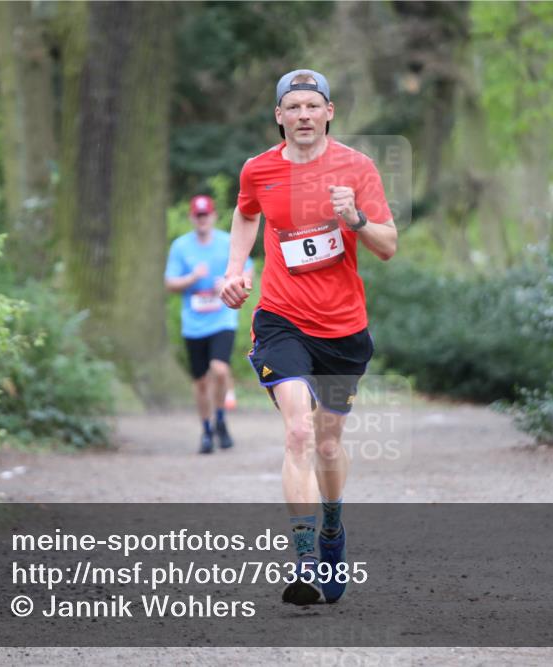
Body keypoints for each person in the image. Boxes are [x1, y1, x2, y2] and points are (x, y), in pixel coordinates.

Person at [220, 69, 397, 605]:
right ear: (278, 116)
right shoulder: (259, 170)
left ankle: (332, 530)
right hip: (281, 318)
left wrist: (356, 217)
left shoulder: (357, 168)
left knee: (326, 442)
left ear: (329, 112)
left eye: (311, 106)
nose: (302, 115)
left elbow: (387, 245)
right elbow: (246, 212)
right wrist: (234, 268)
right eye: (291, 107)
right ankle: (304, 564)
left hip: (343, 330)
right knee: (297, 432)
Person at [165, 194, 254, 454]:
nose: (202, 219)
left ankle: (221, 420)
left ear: (213, 216)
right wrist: (191, 278)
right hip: (193, 324)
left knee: (220, 369)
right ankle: (206, 430)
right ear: (192, 218)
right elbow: (170, 283)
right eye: (198, 215)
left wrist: (231, 282)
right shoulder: (181, 247)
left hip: (222, 318)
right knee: (201, 381)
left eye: (206, 215)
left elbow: (247, 272)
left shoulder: (228, 242)